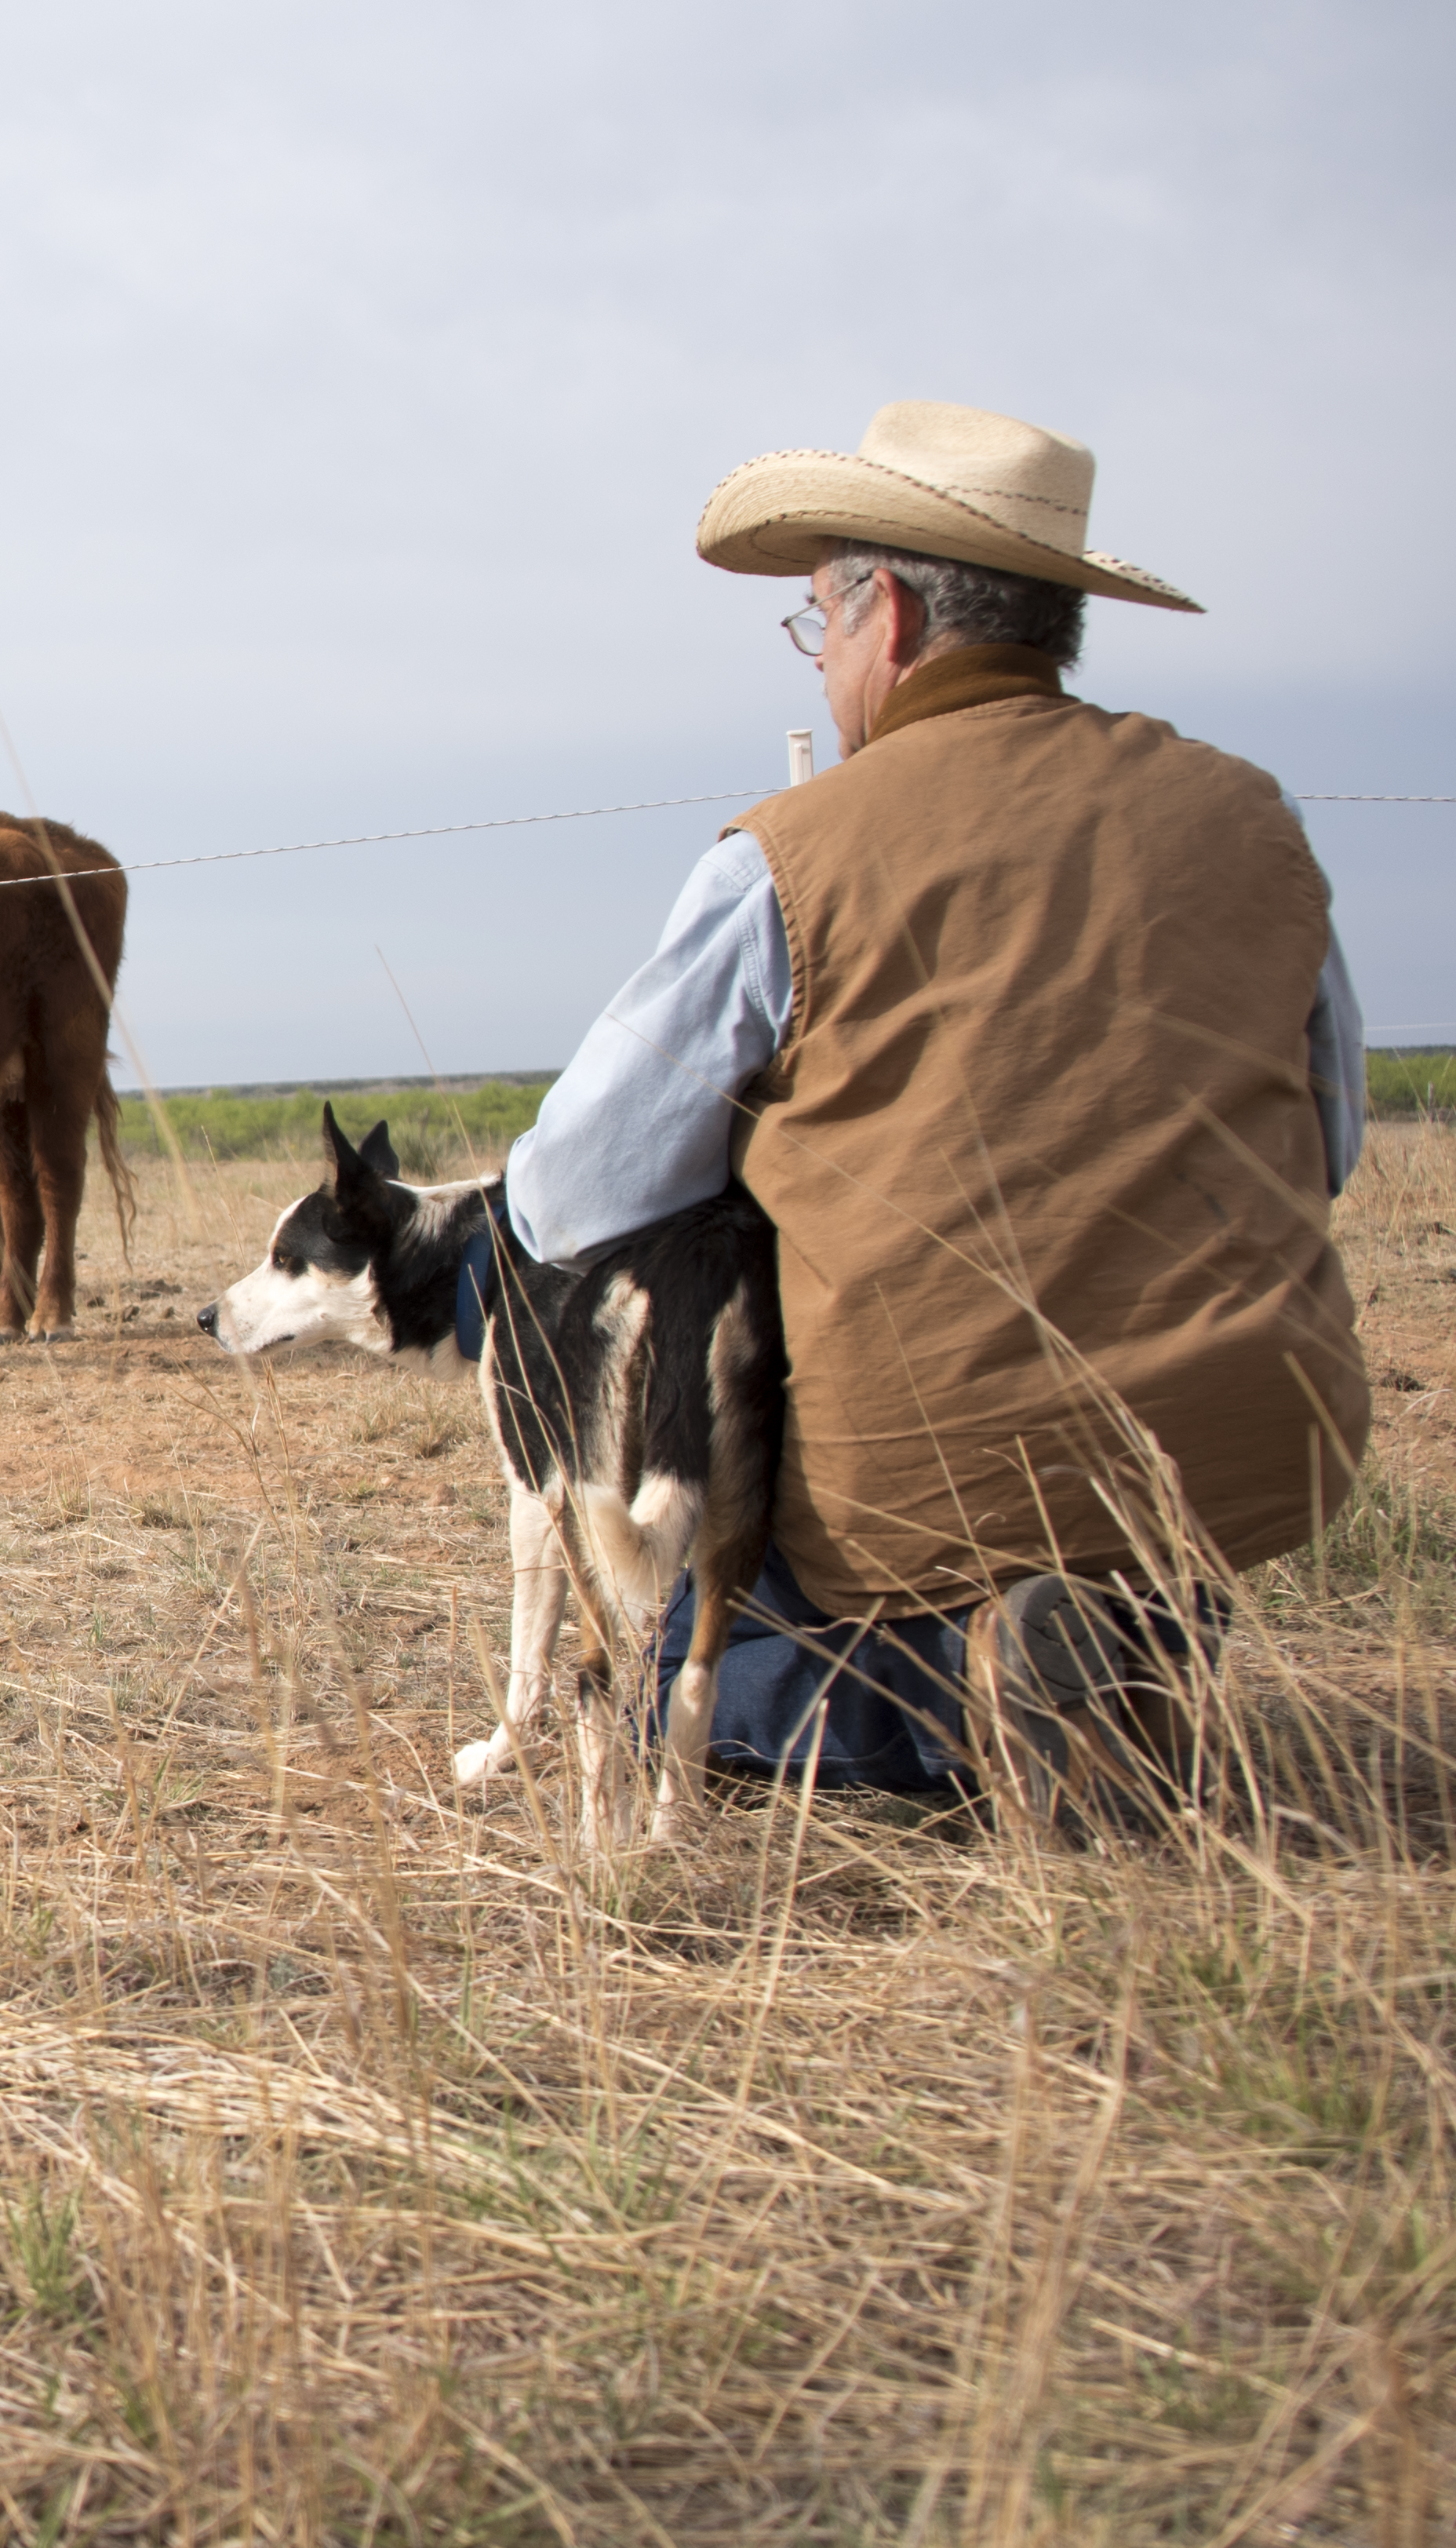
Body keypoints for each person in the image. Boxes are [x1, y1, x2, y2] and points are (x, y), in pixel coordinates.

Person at [499, 400, 1370, 1828]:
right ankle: (1127, 1657)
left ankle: (950, 1700)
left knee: (700, 1652)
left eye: (816, 627)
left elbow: (570, 1197)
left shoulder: (788, 859)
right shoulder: (1255, 817)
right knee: (1113, 1533)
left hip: (919, 1488)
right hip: (1236, 1462)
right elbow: (1322, 1153)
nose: (823, 662)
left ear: (885, 617)